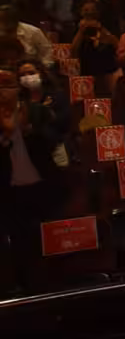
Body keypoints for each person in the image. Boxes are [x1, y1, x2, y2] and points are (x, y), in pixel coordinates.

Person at [1, 60, 69, 292]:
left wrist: (25, 131)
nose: (3, 91)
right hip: (7, 193)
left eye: (7, 85)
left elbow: (53, 140)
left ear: (17, 88)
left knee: (43, 242)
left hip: (42, 187)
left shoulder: (37, 111)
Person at [0, 5, 54, 70]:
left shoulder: (33, 31)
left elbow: (46, 53)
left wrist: (42, 69)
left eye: (6, 20)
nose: (4, 23)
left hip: (30, 68)